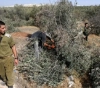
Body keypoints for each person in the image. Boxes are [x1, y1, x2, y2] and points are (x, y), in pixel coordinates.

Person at [0, 21, 18, 88]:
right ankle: (5, 81)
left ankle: (10, 86)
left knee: (9, 74)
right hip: (0, 60)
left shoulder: (8, 36)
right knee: (2, 74)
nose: (5, 29)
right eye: (3, 28)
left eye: (5, 28)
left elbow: (13, 47)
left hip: (8, 58)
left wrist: (16, 58)